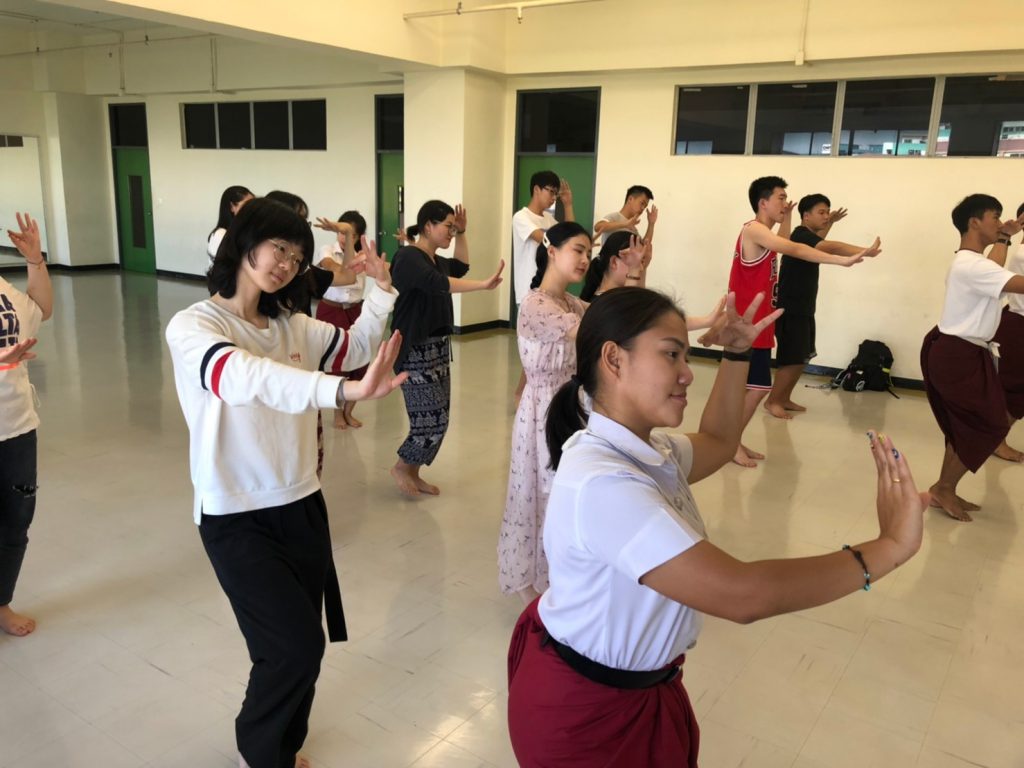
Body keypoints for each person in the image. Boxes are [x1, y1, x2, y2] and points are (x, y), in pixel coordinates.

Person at [506, 287, 928, 768]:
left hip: (628, 692)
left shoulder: (648, 449)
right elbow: (743, 595)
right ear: (614, 359)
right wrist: (889, 548)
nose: (687, 373)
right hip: (586, 715)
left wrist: (736, 354)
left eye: (686, 356)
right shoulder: (603, 483)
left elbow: (721, 440)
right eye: (671, 354)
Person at [165, 197, 406, 768]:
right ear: (245, 242)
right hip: (234, 513)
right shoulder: (195, 325)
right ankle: (261, 752)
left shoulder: (290, 325)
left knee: (301, 646)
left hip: (300, 502)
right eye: (280, 248)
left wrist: (381, 292)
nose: (287, 264)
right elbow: (243, 377)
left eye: (298, 257)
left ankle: (280, 746)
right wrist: (338, 391)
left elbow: (355, 349)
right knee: (291, 647)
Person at [728, 176, 879, 467]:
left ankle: (732, 441)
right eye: (781, 198)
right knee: (755, 388)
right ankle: (730, 443)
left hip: (758, 324)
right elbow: (795, 248)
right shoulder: (754, 229)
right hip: (747, 324)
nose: (786, 203)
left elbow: (786, 243)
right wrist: (843, 260)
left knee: (752, 388)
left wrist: (791, 218)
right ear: (763, 202)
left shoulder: (766, 233)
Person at [499, 222, 592, 604]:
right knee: (538, 497)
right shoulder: (535, 305)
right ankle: (529, 586)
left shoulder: (571, 303)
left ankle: (557, 579)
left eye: (589, 253)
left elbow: (613, 320)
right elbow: (598, 331)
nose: (585, 259)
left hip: (571, 409)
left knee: (564, 499)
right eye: (578, 250)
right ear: (551, 250)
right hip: (542, 413)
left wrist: (699, 323)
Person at [389, 201, 504, 497]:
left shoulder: (436, 260)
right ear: (428, 226)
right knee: (430, 420)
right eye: (448, 227)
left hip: (438, 348)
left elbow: (461, 267)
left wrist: (463, 232)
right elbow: (437, 283)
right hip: (414, 349)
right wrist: (483, 285)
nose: (451, 233)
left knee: (439, 418)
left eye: (454, 228)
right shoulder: (408, 256)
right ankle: (402, 467)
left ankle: (413, 471)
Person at [921, 194, 1024, 522]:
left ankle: (944, 488)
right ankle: (943, 487)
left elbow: (995, 269)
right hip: (957, 353)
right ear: (974, 222)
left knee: (965, 424)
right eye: (995, 217)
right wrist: (1005, 238)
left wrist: (1004, 236)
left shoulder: (974, 263)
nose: (1001, 222)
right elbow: (1015, 282)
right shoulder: (971, 265)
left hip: (964, 350)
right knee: (988, 424)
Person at [764, 194, 878, 418]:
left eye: (828, 212)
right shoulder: (799, 234)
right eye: (821, 212)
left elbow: (821, 245)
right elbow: (831, 247)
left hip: (804, 307)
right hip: (790, 308)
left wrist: (830, 222)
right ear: (806, 216)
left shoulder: (807, 237)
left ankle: (784, 398)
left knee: (801, 359)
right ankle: (773, 401)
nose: (826, 216)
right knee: (791, 359)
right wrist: (865, 250)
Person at [0, 213, 52, 637]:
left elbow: (40, 310)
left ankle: (1, 602)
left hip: (16, 426)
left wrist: (35, 261)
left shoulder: (2, 288)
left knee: (15, 522)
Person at [512, 171, 575, 400]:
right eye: (551, 191)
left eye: (556, 193)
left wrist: (568, 205)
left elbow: (571, 234)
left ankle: (522, 394)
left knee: (542, 348)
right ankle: (521, 395)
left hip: (548, 292)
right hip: (529, 291)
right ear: (536, 189)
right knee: (535, 349)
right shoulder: (522, 217)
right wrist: (572, 243)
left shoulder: (549, 220)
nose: (553, 197)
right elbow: (548, 240)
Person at [315, 210, 369, 429]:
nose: (344, 238)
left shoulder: (364, 256)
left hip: (355, 311)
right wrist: (353, 265)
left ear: (358, 237)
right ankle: (337, 413)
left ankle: (348, 411)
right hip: (331, 310)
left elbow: (382, 271)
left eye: (350, 234)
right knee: (336, 364)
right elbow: (333, 268)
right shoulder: (327, 250)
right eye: (341, 232)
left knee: (361, 362)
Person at [992, 201, 1024, 462]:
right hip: (1018, 323)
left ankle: (995, 439)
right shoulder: (1021, 253)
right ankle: (996, 441)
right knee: (1014, 389)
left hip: (1014, 320)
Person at [593, 184, 657, 285]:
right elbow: (598, 227)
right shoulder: (614, 217)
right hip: (608, 275)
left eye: (645, 206)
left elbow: (644, 246)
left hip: (624, 276)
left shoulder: (633, 229)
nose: (642, 208)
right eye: (642, 203)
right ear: (630, 199)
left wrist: (651, 224)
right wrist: (625, 224)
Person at [579, 231, 646, 301]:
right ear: (614, 262)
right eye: (634, 260)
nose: (641, 268)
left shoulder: (611, 298)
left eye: (642, 262)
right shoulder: (605, 302)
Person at [208, 186, 254, 259]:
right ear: (232, 206)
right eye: (247, 205)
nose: (252, 209)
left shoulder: (241, 232)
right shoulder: (221, 234)